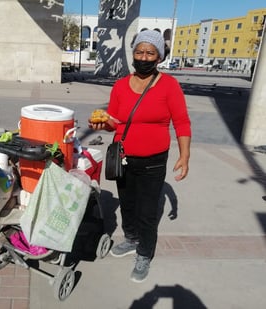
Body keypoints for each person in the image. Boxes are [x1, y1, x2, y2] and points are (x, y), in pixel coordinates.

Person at [88, 29, 191, 283]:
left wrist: (185, 155)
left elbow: (181, 122)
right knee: (128, 204)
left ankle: (144, 253)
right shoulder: (121, 85)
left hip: (153, 161)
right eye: (139, 51)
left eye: (150, 53)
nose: (144, 57)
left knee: (147, 210)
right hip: (123, 157)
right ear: (132, 53)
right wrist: (103, 124)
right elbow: (114, 121)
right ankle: (131, 239)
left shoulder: (169, 85)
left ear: (159, 57)